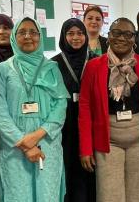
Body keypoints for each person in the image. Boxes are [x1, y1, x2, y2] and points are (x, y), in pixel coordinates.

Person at [78, 18, 139, 202]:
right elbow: (85, 108)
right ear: (108, 36)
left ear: (134, 38)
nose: (121, 38)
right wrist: (86, 148)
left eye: (127, 34)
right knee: (109, 195)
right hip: (108, 140)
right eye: (116, 33)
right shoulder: (94, 66)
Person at [0, 17, 69, 201]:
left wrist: (37, 136)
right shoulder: (3, 69)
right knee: (18, 193)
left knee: (47, 193)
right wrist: (24, 142)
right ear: (14, 37)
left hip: (47, 141)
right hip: (15, 145)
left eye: (33, 32)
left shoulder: (52, 67)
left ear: (40, 37)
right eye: (22, 32)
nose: (28, 36)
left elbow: (60, 105)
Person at [51, 18, 97, 202]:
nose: (76, 37)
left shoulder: (97, 61)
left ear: (85, 36)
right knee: (71, 173)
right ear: (63, 36)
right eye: (70, 33)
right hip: (66, 127)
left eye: (79, 33)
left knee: (93, 173)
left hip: (92, 124)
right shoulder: (53, 64)